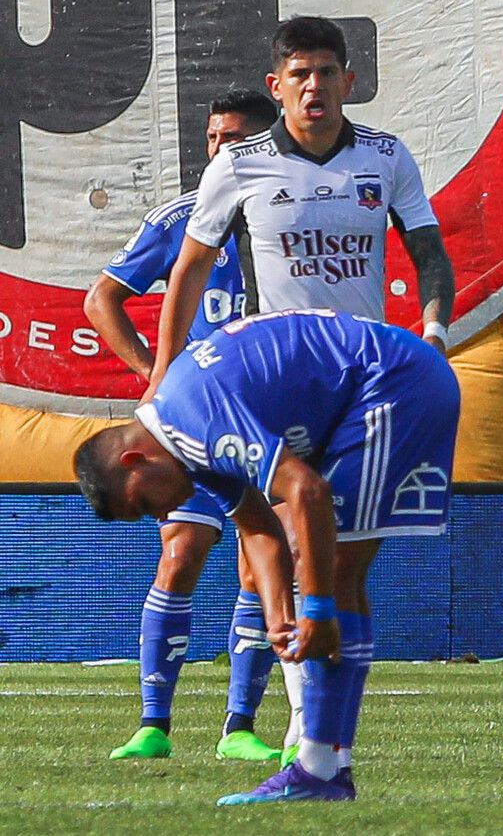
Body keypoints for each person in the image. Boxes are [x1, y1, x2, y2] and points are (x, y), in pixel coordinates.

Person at [143, 16, 456, 760]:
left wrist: (435, 332)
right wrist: (164, 374)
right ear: (275, 85)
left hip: (367, 381)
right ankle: (300, 733)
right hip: (275, 380)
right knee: (288, 543)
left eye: (327, 71)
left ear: (350, 80)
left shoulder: (386, 158)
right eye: (300, 74)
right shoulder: (239, 166)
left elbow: (429, 252)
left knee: (345, 560)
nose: (314, 86)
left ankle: (303, 732)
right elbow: (187, 271)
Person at [74, 308, 461, 804]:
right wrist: (281, 619)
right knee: (341, 572)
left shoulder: (196, 420)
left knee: (335, 575)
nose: (163, 513)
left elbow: (307, 491)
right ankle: (330, 764)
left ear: (135, 461)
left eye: (145, 504)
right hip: (400, 380)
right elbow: (259, 530)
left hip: (394, 385)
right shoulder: (182, 435)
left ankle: (319, 770)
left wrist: (315, 609)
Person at [83, 89, 285, 762]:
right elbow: (101, 299)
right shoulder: (182, 221)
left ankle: (240, 727)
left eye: (234, 140)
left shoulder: (292, 216)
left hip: (273, 421)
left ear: (267, 143)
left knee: (259, 569)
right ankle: (153, 724)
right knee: (180, 555)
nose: (219, 152)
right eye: (211, 139)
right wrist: (152, 371)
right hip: (195, 426)